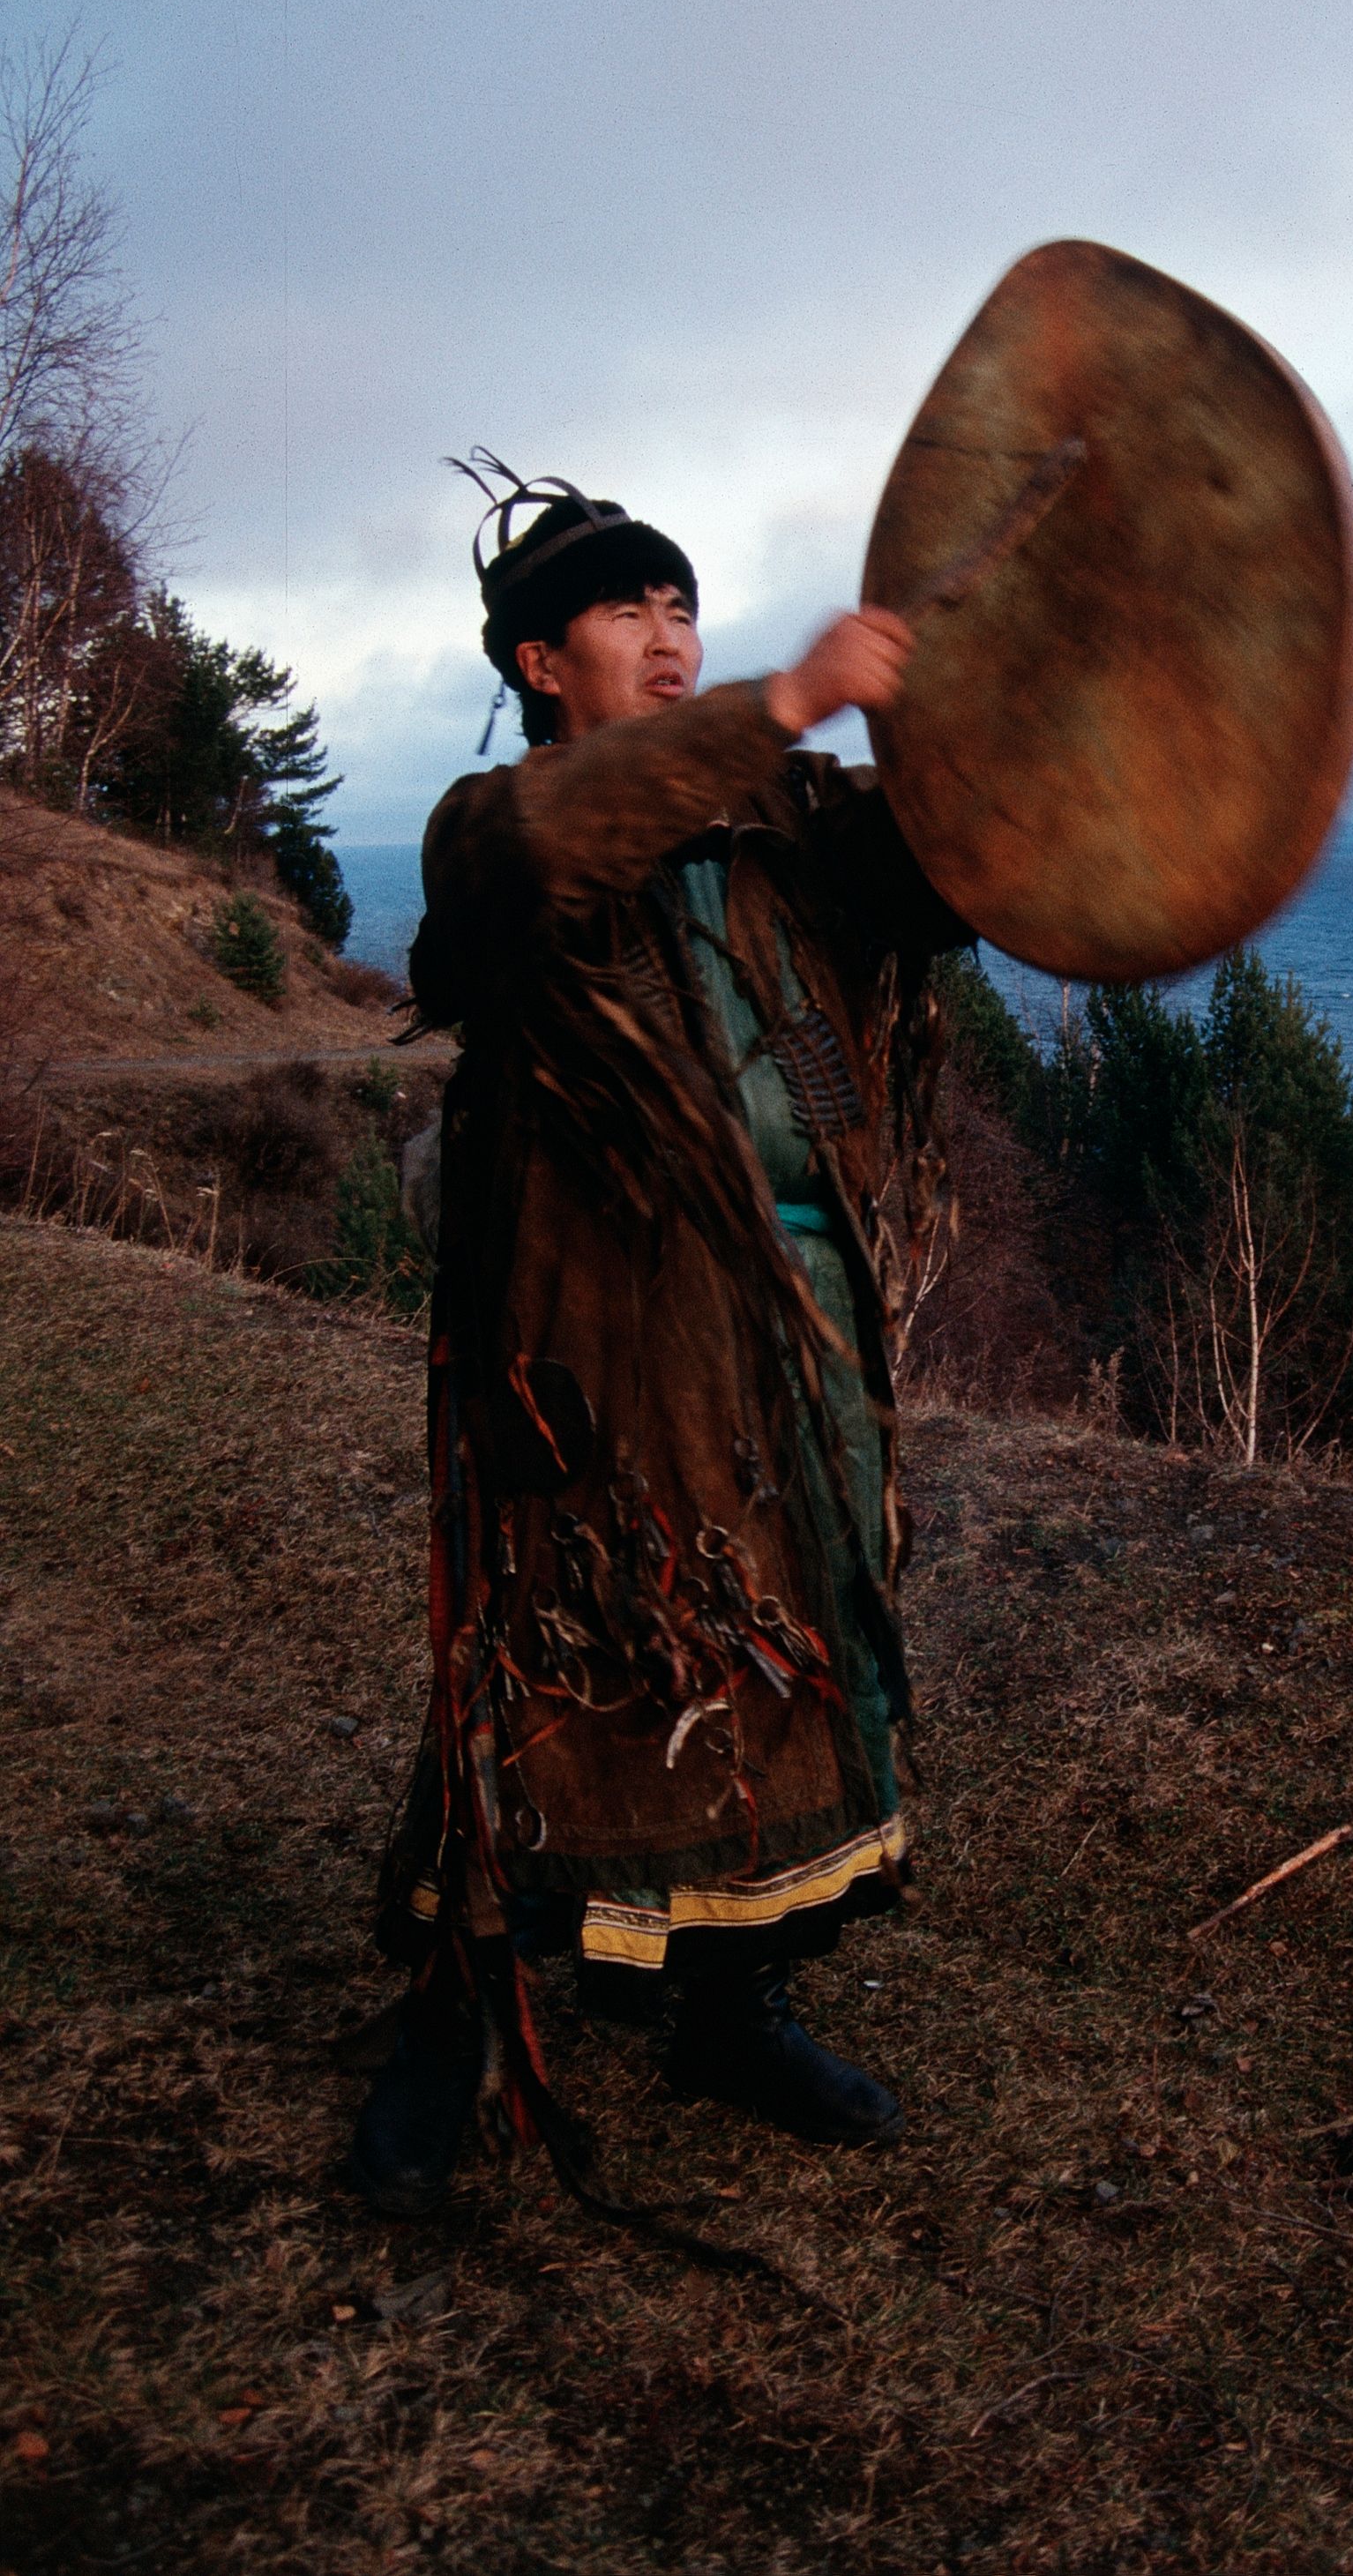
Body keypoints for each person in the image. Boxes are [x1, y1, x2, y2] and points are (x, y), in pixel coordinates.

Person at [354, 471, 967, 2219]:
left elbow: (953, 869)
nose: (671, 633)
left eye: (684, 603)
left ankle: (731, 2004)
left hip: (799, 1317)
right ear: (543, 658)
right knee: (554, 1659)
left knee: (778, 1652)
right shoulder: (497, 825)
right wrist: (787, 694)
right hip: (594, 1331)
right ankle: (459, 2010)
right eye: (629, 610)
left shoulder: (781, 821)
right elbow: (561, 849)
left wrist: (990, 732)